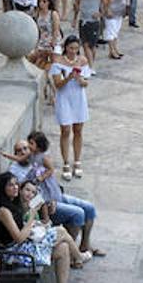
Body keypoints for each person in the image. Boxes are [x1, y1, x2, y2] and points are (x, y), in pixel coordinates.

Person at [48, 35, 91, 181]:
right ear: (66, 47)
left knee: (78, 130)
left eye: (76, 48)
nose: (73, 51)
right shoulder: (58, 62)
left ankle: (77, 161)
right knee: (65, 130)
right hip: (64, 98)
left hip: (78, 98)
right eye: (71, 48)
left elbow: (86, 82)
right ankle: (66, 162)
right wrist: (69, 77)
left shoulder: (82, 61)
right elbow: (57, 85)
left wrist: (80, 79)